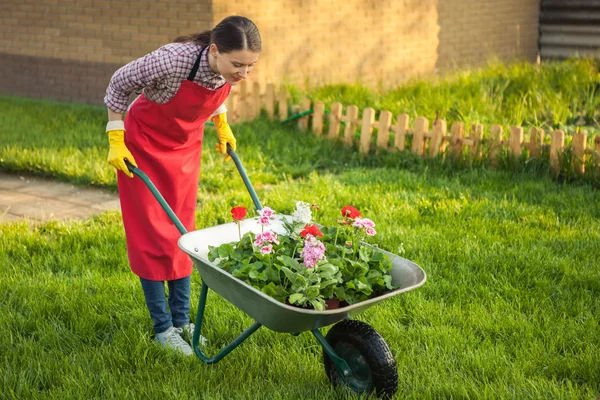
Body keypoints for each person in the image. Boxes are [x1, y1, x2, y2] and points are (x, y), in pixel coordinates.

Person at [103, 16, 261, 355]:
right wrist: (116, 137)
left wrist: (221, 123)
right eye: (238, 65)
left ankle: (183, 321)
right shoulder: (174, 59)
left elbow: (216, 90)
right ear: (215, 50)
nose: (244, 74)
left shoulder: (225, 68)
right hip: (142, 145)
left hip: (184, 150)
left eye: (251, 66)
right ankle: (163, 329)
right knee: (151, 236)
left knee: (181, 233)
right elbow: (118, 83)